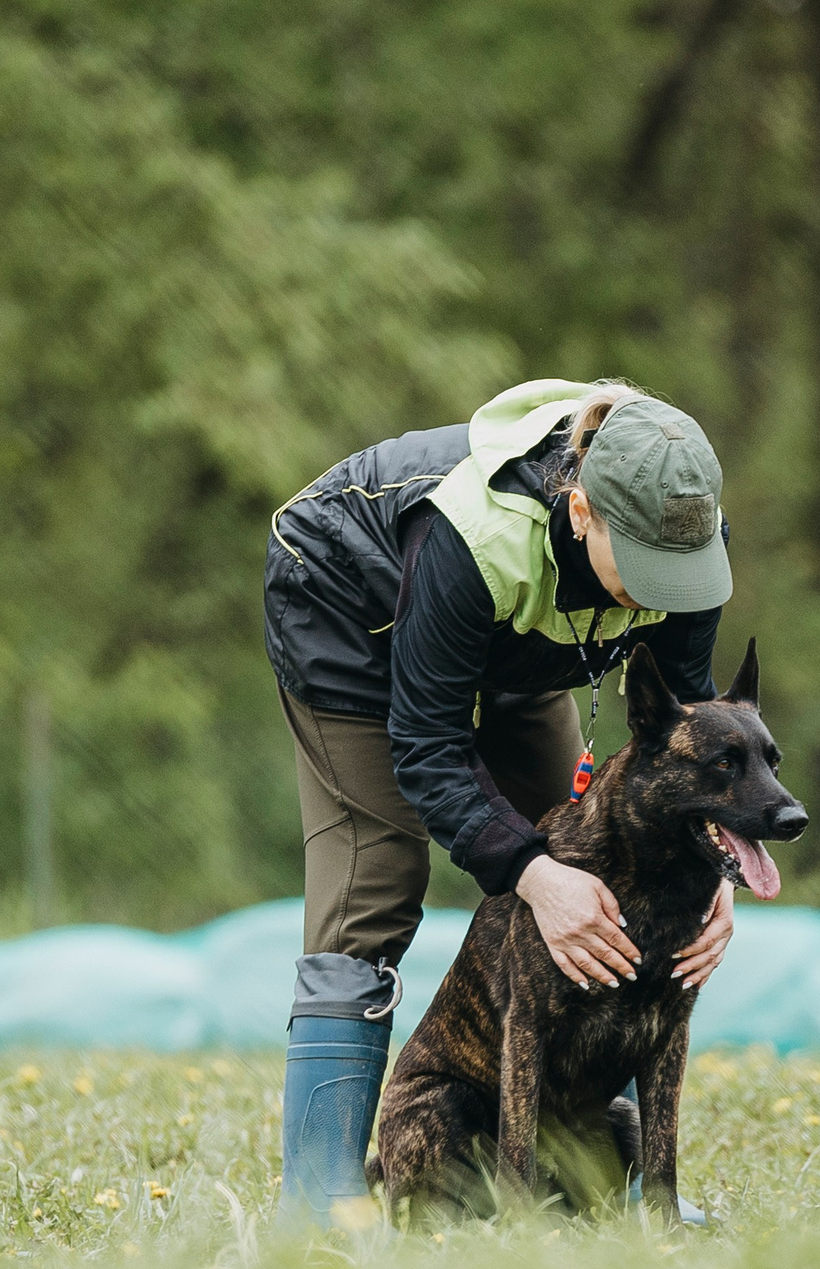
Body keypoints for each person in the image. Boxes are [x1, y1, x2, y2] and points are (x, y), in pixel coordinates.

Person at [263, 378, 739, 1220]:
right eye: (648, 569)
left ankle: (620, 1183)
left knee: (603, 862)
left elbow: (691, 740)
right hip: (349, 601)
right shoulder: (475, 535)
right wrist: (529, 871)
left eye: (681, 570)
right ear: (584, 508)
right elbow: (426, 745)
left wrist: (717, 868)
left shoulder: (681, 532)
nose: (666, 590)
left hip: (518, 632)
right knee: (379, 871)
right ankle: (318, 1202)